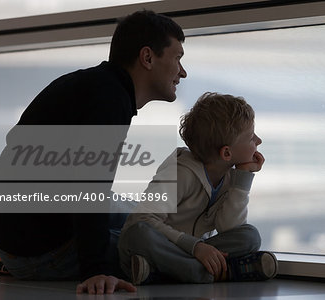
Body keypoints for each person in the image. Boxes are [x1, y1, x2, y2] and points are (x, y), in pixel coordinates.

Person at [0, 10, 187, 294]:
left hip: (20, 230)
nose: (182, 71)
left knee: (142, 215)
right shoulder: (109, 99)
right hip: (39, 252)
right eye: (178, 57)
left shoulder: (98, 85)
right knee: (153, 246)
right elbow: (88, 185)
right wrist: (97, 269)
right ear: (148, 57)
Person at [118, 92, 278, 285]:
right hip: (155, 248)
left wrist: (243, 178)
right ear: (226, 153)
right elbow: (142, 219)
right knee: (139, 232)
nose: (258, 141)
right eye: (251, 137)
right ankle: (214, 273)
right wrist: (195, 247)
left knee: (249, 236)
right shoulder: (179, 173)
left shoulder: (229, 175)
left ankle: (163, 273)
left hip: (183, 254)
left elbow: (229, 227)